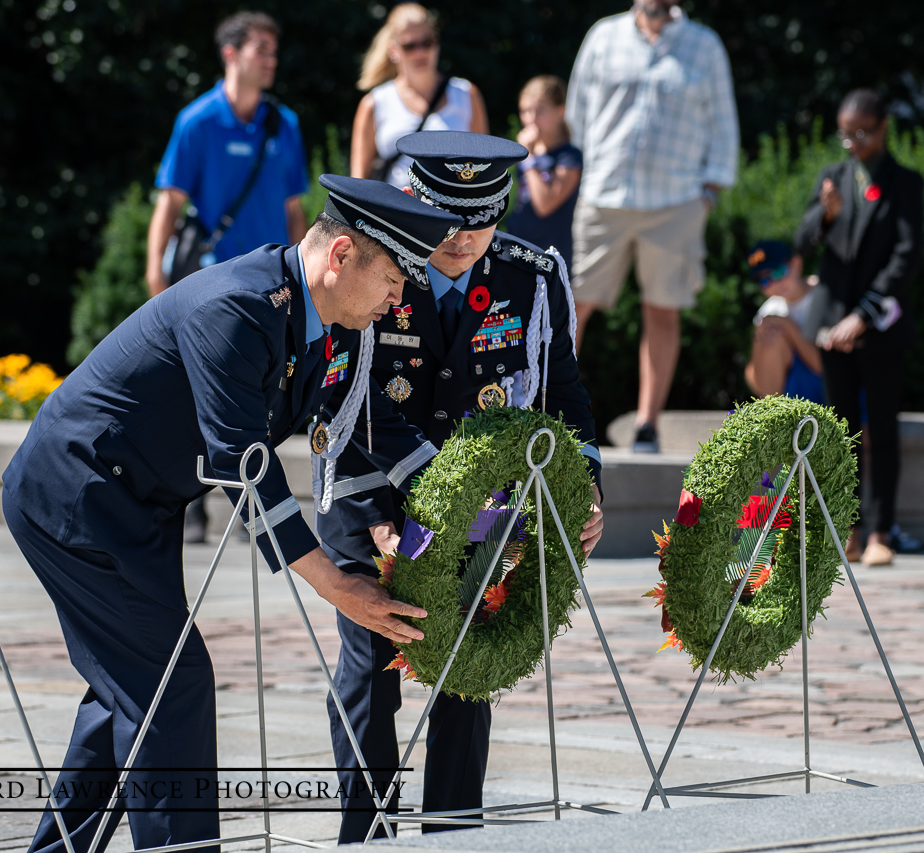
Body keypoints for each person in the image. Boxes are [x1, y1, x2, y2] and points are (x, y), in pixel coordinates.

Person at [3, 176, 464, 853]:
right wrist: (335, 584)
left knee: (132, 690)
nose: (400, 301)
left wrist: (468, 513)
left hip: (136, 504)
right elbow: (242, 465)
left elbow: (364, 421)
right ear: (340, 256)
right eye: (395, 278)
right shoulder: (240, 309)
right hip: (78, 494)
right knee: (171, 684)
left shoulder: (318, 321)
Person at [317, 131, 605, 844]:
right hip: (374, 501)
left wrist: (586, 484)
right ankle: (366, 832)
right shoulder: (380, 265)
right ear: (415, 201)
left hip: (477, 516)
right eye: (448, 220)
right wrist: (382, 518)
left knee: (464, 673)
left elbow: (563, 393)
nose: (464, 238)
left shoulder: (531, 277)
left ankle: (454, 832)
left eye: (481, 220)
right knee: (371, 666)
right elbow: (336, 402)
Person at [146, 11, 310, 541]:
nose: (270, 59)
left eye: (273, 50)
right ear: (230, 53)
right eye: (260, 48)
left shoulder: (282, 124)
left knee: (265, 395)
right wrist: (155, 269)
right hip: (212, 288)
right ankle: (190, 505)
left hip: (271, 284)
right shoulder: (197, 121)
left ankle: (250, 504)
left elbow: (294, 210)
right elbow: (170, 201)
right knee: (201, 396)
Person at [566, 0, 739, 452]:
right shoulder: (604, 36)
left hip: (676, 201)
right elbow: (578, 114)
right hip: (605, 195)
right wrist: (587, 171)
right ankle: (551, 411)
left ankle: (647, 426)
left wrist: (708, 195)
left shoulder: (704, 45)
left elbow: (724, 124)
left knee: (662, 310)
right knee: (573, 305)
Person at [795, 89, 924, 567]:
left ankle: (881, 531)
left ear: (883, 128)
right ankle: (844, 529)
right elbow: (802, 240)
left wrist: (863, 315)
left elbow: (906, 257)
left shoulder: (905, 183)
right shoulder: (834, 178)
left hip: (880, 325)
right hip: (832, 324)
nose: (852, 144)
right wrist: (825, 215)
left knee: (882, 428)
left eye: (862, 133)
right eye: (845, 134)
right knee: (839, 429)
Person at [349, 3, 489, 189]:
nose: (420, 52)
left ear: (437, 42)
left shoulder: (466, 94)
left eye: (427, 42)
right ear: (393, 50)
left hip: (455, 215)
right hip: (394, 214)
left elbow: (486, 171)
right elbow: (358, 184)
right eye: (410, 46)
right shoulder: (374, 103)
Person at [506, 75, 583, 270]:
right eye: (525, 111)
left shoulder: (569, 157)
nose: (530, 119)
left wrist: (529, 158)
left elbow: (545, 204)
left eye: (539, 111)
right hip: (516, 248)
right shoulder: (524, 153)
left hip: (549, 255)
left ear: (560, 111)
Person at [743, 240, 827, 403]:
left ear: (796, 263)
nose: (774, 283)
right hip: (794, 391)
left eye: (778, 272)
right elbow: (753, 376)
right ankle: (779, 416)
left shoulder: (825, 293)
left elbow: (824, 367)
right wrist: (758, 339)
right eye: (764, 280)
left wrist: (787, 325)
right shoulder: (769, 310)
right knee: (768, 338)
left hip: (833, 386)